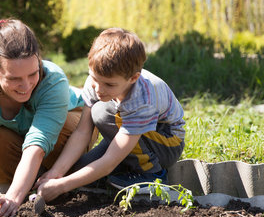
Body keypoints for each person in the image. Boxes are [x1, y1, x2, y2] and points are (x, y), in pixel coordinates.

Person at [0, 18, 97, 217]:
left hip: (70, 126)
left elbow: (36, 146)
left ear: (38, 59)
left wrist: (13, 198)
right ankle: (32, 181)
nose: (26, 85)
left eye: (32, 73)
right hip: (20, 139)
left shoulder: (54, 80)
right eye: (14, 78)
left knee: (60, 129)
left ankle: (57, 178)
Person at [35, 27, 185, 202]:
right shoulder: (97, 81)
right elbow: (82, 132)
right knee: (77, 169)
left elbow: (110, 161)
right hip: (129, 134)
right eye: (94, 79)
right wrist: (57, 173)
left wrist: (63, 185)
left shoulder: (142, 98)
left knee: (101, 114)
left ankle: (152, 175)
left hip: (166, 143)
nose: (99, 89)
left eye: (109, 85)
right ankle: (126, 169)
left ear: (133, 78)